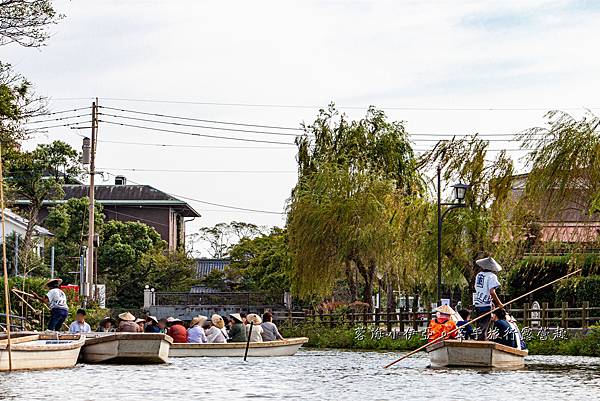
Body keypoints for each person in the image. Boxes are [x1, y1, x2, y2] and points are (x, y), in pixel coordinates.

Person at [473, 257, 504, 340]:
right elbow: (492, 292)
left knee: (480, 325)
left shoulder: (478, 275)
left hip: (478, 303)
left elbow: (479, 289)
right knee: (484, 325)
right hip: (485, 304)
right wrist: (499, 303)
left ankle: (480, 340)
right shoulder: (492, 276)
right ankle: (481, 342)